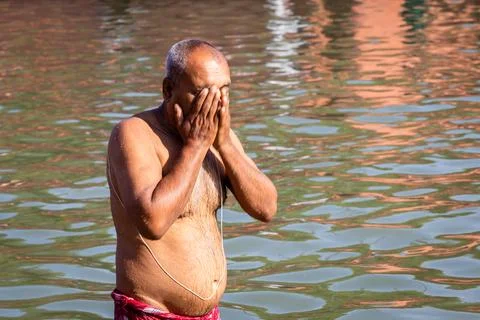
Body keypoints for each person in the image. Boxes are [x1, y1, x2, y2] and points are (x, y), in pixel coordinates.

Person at [106, 39, 277, 320]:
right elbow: (153, 222)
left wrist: (224, 144)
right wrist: (195, 147)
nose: (216, 103)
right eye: (203, 92)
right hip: (150, 313)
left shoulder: (220, 138)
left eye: (224, 90)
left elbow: (266, 208)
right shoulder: (134, 134)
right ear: (168, 90)